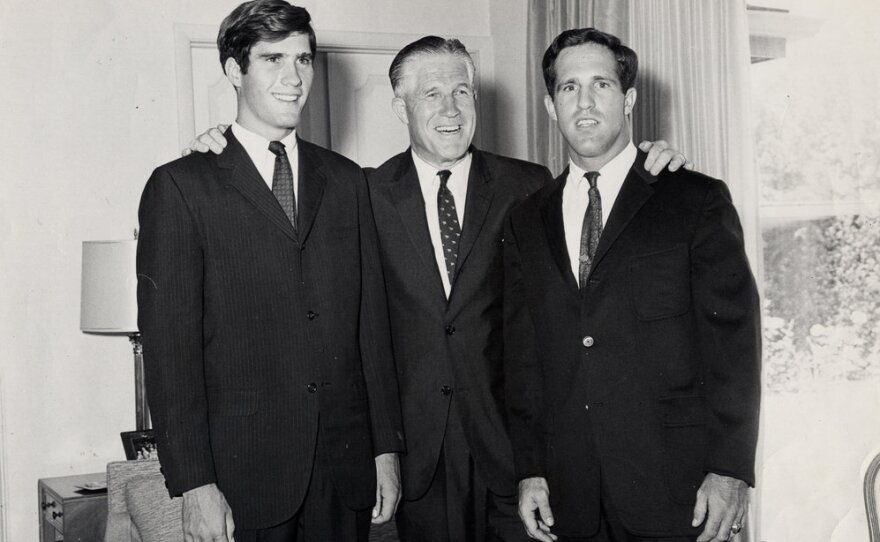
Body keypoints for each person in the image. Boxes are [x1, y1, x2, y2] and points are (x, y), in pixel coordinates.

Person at [186, 35, 689, 542]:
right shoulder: (361, 193)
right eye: (431, 94)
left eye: (462, 92)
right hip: (417, 457)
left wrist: (649, 162)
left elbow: (595, 227)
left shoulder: (530, 186)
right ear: (399, 107)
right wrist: (219, 146)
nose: (450, 109)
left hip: (520, 456)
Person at [136, 2, 404, 541]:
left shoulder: (348, 181)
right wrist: (194, 485)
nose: (294, 77)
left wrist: (385, 448)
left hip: (343, 473)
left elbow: (370, 329)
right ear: (234, 71)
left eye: (304, 60)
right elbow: (171, 356)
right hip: (241, 482)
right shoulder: (182, 186)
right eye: (273, 59)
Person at [503, 28, 761, 542]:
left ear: (629, 99)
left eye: (601, 84)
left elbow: (733, 346)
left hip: (678, 490)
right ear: (551, 106)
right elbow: (523, 358)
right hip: (570, 496)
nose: (585, 102)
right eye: (569, 87)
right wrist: (530, 469)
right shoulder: (525, 220)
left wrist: (731, 469)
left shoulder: (694, 199)